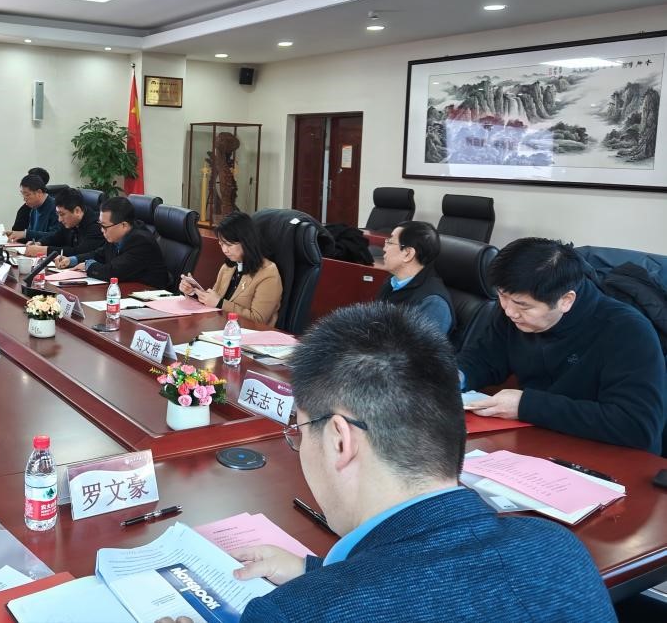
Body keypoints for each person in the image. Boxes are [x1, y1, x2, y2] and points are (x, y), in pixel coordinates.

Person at [174, 302, 614, 622]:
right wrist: (316, 572)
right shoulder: (558, 550)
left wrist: (318, 590)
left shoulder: (295, 613)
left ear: (340, 440)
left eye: (301, 431)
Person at [459, 238, 665, 453]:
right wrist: (456, 375)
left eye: (523, 305)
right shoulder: (513, 307)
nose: (509, 311)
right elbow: (485, 357)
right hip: (541, 440)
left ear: (566, 300)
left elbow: (636, 426)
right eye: (502, 296)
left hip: (609, 455)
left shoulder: (627, 331)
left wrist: (526, 406)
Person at [178, 211, 282, 326]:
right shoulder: (228, 267)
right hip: (220, 327)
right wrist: (194, 293)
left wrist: (220, 303)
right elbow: (213, 301)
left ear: (246, 242)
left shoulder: (268, 272)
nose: (225, 250)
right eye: (221, 244)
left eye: (229, 245)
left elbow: (258, 320)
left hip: (249, 333)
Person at [54, 195, 168, 288]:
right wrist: (72, 260)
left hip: (147, 296)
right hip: (125, 289)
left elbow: (113, 272)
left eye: (104, 226)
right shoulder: (116, 235)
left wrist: (88, 265)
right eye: (100, 225)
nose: (101, 230)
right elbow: (99, 255)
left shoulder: (141, 241)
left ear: (124, 225)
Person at [376, 220, 453, 335]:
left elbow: (418, 347)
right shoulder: (392, 282)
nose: (384, 248)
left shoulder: (434, 304)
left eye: (390, 242)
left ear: (408, 254)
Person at [22, 188, 104, 258]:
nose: (59, 219)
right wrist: (40, 243)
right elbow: (57, 236)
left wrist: (44, 250)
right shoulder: (71, 222)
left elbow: (80, 252)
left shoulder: (97, 226)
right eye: (58, 214)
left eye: (62, 214)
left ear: (77, 211)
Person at [7, 173, 61, 243]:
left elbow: (56, 236)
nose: (24, 199)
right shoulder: (34, 208)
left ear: (39, 192)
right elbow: (32, 236)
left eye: (27, 195)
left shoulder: (56, 208)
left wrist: (25, 234)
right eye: (23, 195)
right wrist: (16, 235)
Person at [12, 167, 49, 234]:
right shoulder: (32, 208)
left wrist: (24, 235)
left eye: (27, 194)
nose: (24, 199)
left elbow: (54, 235)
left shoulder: (54, 208)